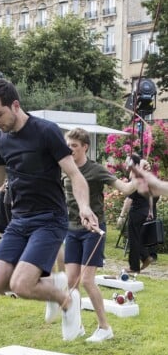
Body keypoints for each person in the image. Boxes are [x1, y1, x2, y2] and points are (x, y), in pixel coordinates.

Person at [0, 78, 99, 341]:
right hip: (19, 219)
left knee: (21, 283)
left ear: (15, 105)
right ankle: (54, 286)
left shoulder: (46, 131)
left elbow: (75, 174)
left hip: (49, 219)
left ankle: (67, 300)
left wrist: (84, 207)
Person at [59, 128, 138, 342]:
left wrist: (136, 175)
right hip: (72, 229)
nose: (70, 149)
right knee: (71, 281)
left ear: (85, 147)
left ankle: (104, 327)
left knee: (87, 280)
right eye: (68, 146)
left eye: (74, 146)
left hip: (93, 230)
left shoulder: (96, 170)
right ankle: (78, 326)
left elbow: (126, 188)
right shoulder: (65, 168)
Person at [118, 154, 157, 273]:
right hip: (145, 211)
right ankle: (145, 257)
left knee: (133, 239)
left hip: (136, 211)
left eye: (127, 162)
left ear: (134, 164)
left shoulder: (135, 178)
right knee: (137, 237)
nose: (125, 165)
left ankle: (134, 267)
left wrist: (121, 215)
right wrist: (150, 211)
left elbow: (129, 199)